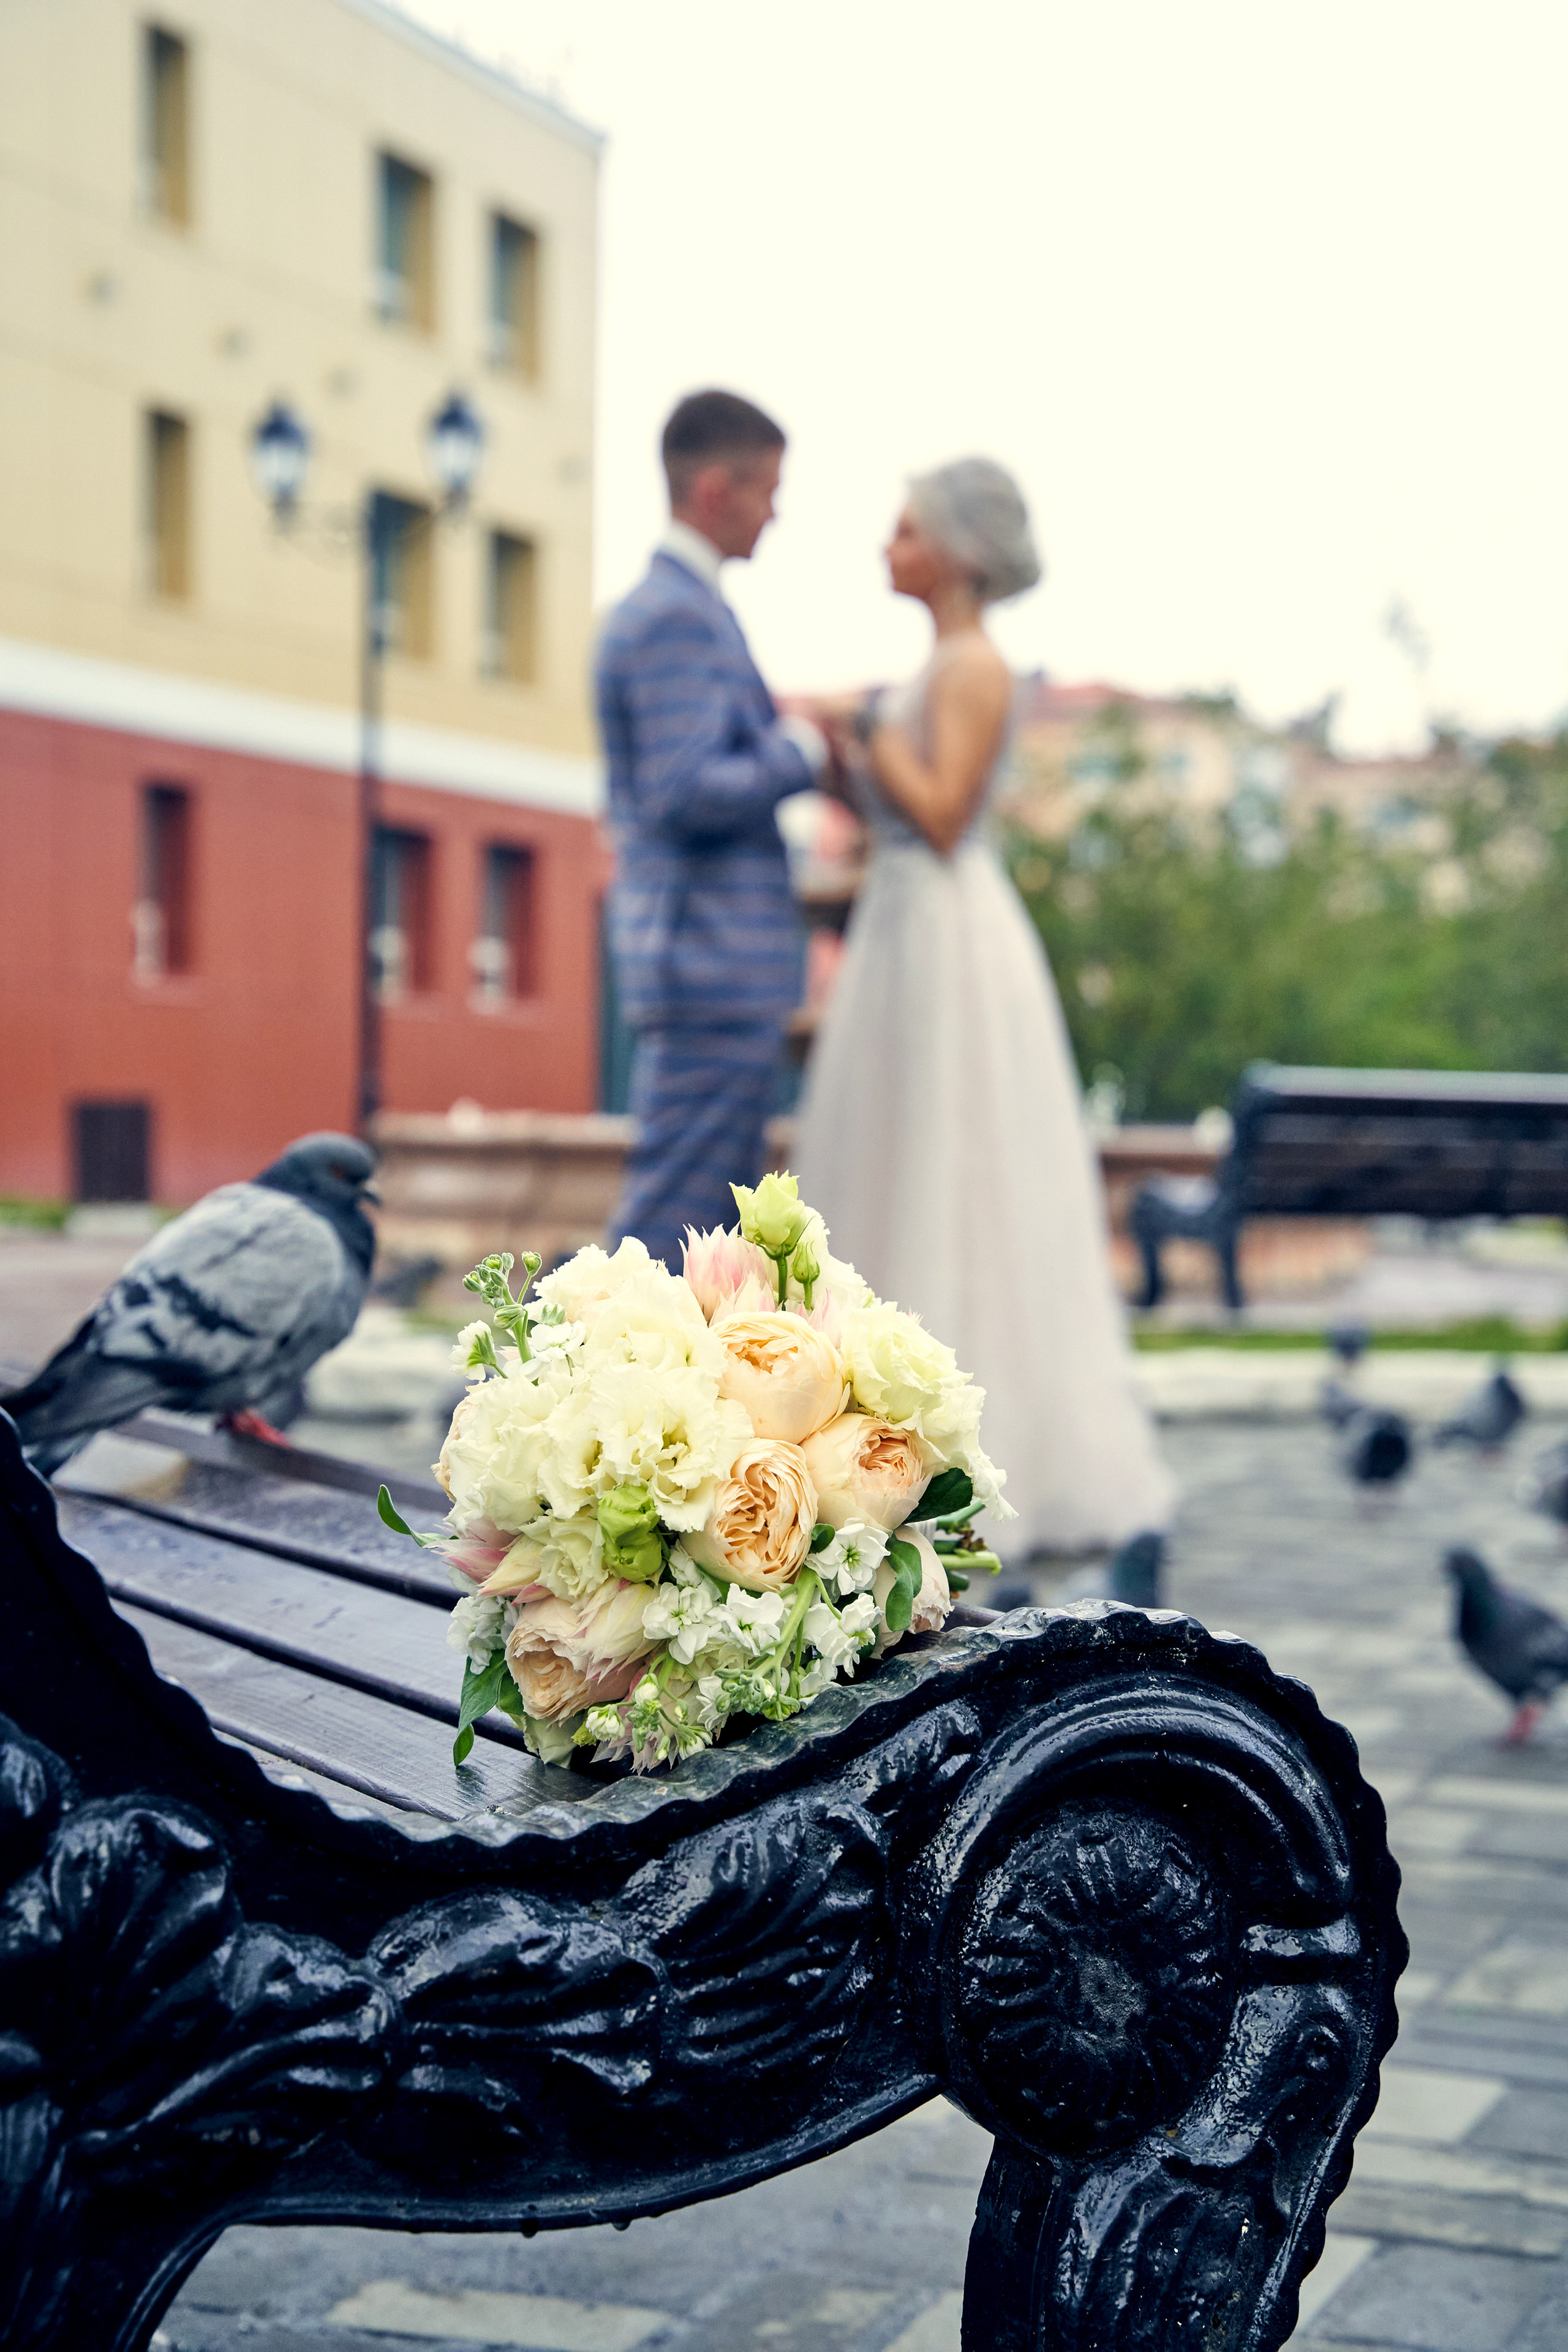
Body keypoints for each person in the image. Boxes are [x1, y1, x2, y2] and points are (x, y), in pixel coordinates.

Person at [794, 459, 1174, 1560]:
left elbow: (946, 815)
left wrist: (868, 730)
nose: (889, 547)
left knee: (952, 1165)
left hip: (946, 934)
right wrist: (851, 757)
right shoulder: (940, 665)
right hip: (899, 927)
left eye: (907, 530)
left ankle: (961, 1452)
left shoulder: (973, 666)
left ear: (958, 551)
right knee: (890, 1162)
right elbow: (895, 810)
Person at [596, 390, 827, 1268]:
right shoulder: (676, 616)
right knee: (670, 1233)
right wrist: (799, 749)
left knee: (698, 1238)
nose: (775, 513)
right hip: (710, 964)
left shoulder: (679, 609)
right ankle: (560, 1359)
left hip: (709, 965)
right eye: (768, 489)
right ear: (715, 490)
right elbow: (684, 790)